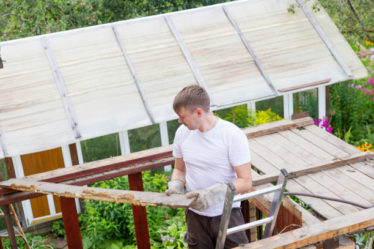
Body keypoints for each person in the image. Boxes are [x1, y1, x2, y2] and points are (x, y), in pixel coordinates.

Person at [165, 85, 252, 249]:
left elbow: (246, 181)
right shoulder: (182, 133)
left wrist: (215, 193)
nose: (179, 121)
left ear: (198, 112)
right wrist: (176, 183)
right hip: (195, 215)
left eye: (182, 116)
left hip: (226, 214)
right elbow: (180, 169)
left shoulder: (231, 135)